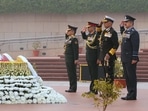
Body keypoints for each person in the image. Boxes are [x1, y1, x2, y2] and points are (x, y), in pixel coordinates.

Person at [120, 15, 140, 100]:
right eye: (124, 22)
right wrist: (121, 28)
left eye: (126, 22)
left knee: (131, 76)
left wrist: (134, 57)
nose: (125, 23)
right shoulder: (126, 32)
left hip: (130, 58)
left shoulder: (134, 33)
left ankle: (133, 94)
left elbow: (135, 46)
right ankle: (129, 93)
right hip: (125, 57)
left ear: (131, 23)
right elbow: (123, 37)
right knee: (127, 76)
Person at [81, 22, 102, 94]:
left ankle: (94, 89)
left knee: (94, 74)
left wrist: (99, 58)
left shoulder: (97, 35)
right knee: (91, 73)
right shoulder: (89, 35)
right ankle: (92, 89)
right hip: (89, 56)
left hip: (94, 57)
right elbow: (85, 38)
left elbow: (98, 47)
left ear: (93, 27)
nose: (88, 28)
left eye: (89, 27)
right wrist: (83, 33)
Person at [98, 15, 119, 84]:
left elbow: (116, 45)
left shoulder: (113, 32)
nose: (104, 24)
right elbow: (98, 34)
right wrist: (99, 25)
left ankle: (109, 91)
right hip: (103, 56)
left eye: (106, 22)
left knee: (109, 74)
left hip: (109, 57)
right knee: (105, 74)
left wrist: (109, 54)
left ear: (110, 23)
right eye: (104, 23)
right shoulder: (104, 32)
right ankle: (106, 90)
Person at [64, 25, 79, 93]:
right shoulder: (69, 39)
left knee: (72, 73)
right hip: (67, 57)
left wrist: (76, 59)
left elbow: (75, 50)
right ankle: (71, 86)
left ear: (73, 32)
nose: (67, 31)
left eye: (69, 30)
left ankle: (73, 88)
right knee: (70, 73)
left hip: (72, 58)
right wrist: (66, 33)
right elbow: (66, 38)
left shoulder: (74, 39)